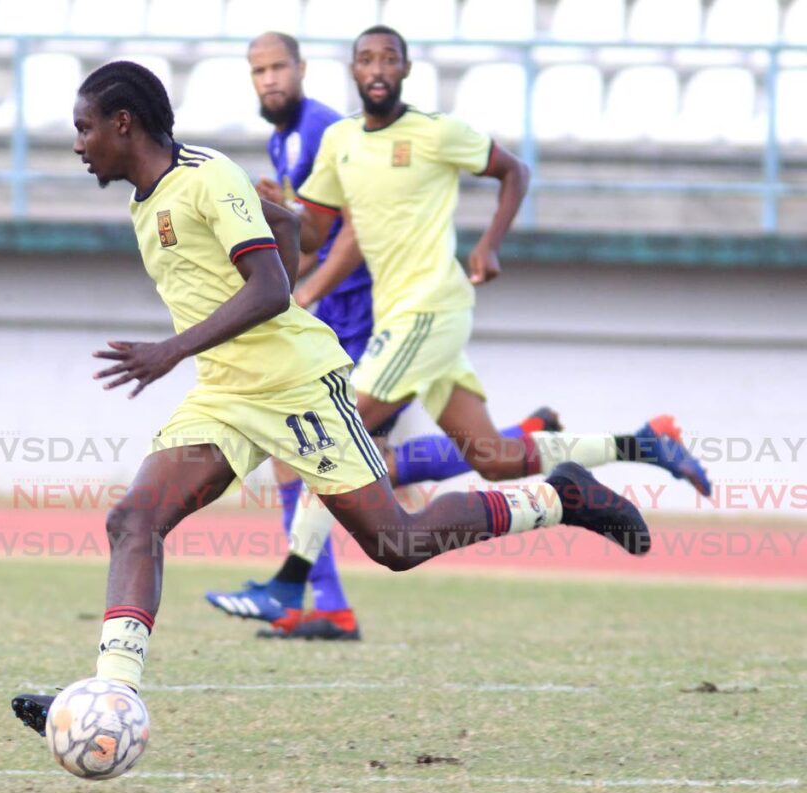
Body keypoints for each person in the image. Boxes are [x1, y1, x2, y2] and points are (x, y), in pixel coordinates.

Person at [10, 59, 651, 739]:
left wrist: (170, 349)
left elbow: (269, 290)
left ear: (123, 123)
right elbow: (284, 231)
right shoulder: (150, 199)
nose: (78, 144)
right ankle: (110, 695)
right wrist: (270, 240)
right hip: (226, 393)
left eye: (84, 129)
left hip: (296, 387)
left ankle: (560, 496)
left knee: (396, 543)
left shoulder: (206, 177)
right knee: (134, 521)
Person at [204, 25, 712, 622]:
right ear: (352, 70)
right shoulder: (340, 141)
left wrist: (490, 246)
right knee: (492, 455)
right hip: (403, 316)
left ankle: (292, 585)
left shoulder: (436, 131)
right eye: (366, 58)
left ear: (405, 69)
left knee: (337, 432)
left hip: (431, 307)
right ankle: (638, 445)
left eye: (388, 59)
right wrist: (278, 206)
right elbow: (315, 230)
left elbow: (514, 171)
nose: (377, 68)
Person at [203, 31, 559, 641]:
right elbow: (310, 226)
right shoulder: (285, 136)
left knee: (328, 447)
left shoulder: (322, 130)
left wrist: (304, 292)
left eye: (278, 67)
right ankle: (324, 601)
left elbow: (352, 232)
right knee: (313, 453)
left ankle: (309, 594)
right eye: (258, 70)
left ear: (304, 68)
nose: (269, 80)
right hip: (344, 313)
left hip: (362, 312)